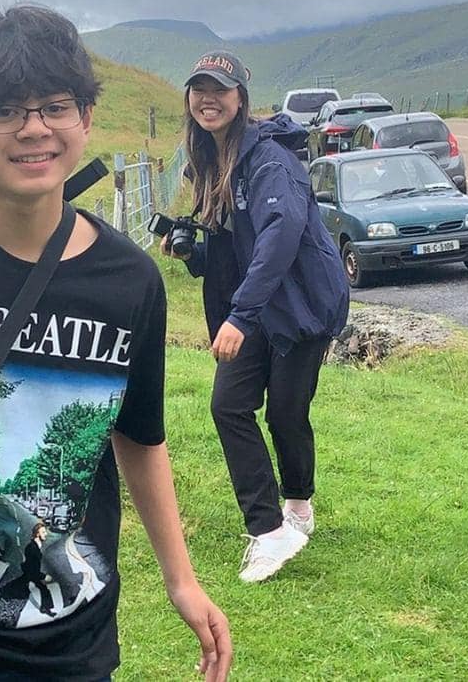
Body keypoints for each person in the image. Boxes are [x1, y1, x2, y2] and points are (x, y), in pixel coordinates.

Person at [0, 6, 231, 681]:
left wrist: (181, 579)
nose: (34, 128)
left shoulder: (128, 282)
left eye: (55, 106)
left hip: (68, 639)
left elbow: (140, 435)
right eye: (3, 110)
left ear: (84, 118)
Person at [162, 51, 349, 583]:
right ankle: (269, 531)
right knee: (228, 406)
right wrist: (193, 253)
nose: (208, 99)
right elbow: (235, 247)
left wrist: (240, 317)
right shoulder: (210, 158)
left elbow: (280, 236)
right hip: (255, 302)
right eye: (199, 89)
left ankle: (299, 504)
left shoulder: (270, 161)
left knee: (286, 413)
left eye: (219, 89)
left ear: (240, 98)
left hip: (300, 305)